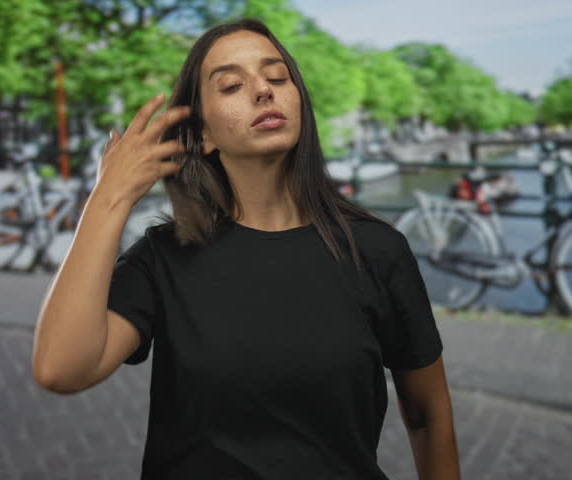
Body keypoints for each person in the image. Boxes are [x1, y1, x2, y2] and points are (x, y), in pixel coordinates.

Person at [31, 18, 460, 479]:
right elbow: (61, 368)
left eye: (277, 77)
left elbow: (428, 415)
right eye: (232, 85)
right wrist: (107, 200)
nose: (263, 90)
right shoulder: (163, 258)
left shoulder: (378, 250)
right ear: (204, 136)